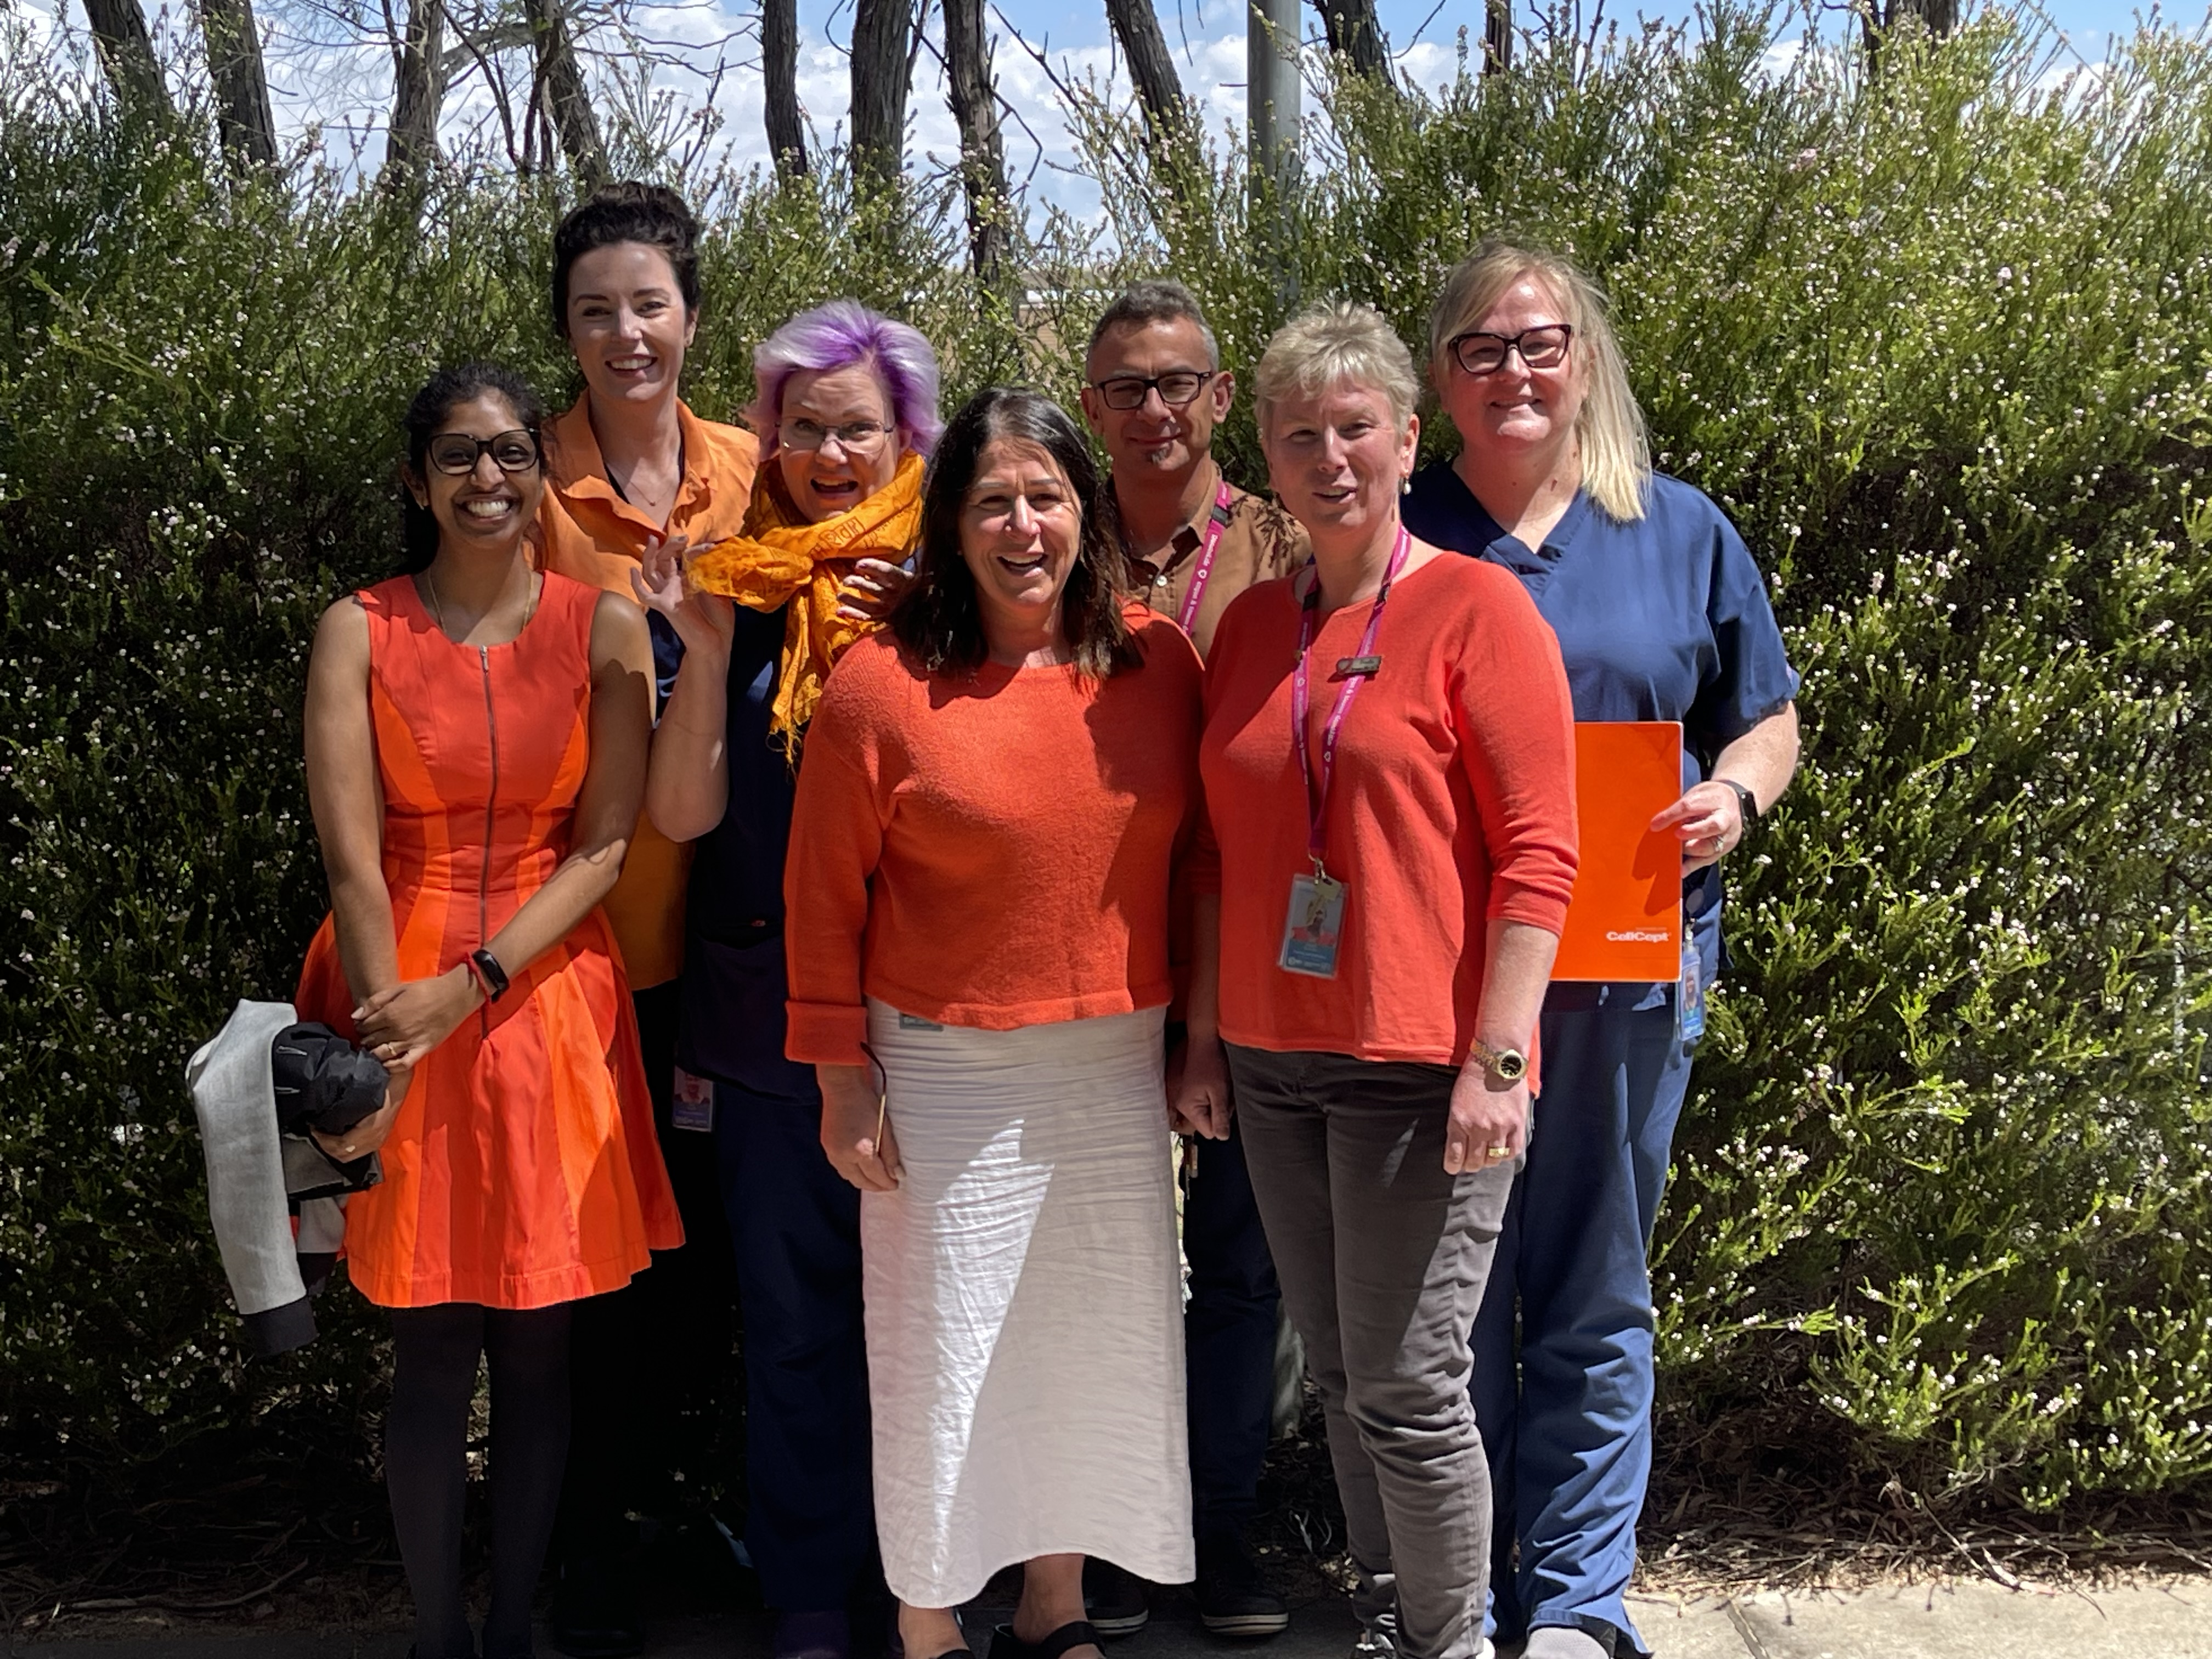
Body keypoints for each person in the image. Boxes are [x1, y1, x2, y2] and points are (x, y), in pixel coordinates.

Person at [1403, 241, 1801, 1659]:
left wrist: (1736, 796)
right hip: (1439, 993)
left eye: (1539, 342)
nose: (1514, 371)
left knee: (1591, 1290)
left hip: (1632, 974)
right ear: (1440, 379)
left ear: (1584, 358)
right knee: (1449, 1310)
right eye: (1481, 348)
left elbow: (1769, 714)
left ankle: (1573, 1605)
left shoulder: (1680, 529)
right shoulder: (1400, 536)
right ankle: (1458, 1595)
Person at [1175, 302, 1580, 1659]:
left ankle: (1450, 1640)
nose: (1330, 457)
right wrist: (1202, 1043)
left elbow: (1542, 860)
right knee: (1343, 1379)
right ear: (1269, 462)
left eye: (1355, 428)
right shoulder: (1246, 635)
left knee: (1410, 1385)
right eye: (1300, 436)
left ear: (1409, 439)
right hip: (1275, 1059)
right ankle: (1392, 1614)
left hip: (1422, 1066)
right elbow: (1225, 859)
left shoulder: (1479, 608)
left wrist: (1499, 1062)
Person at [782, 388, 1205, 1659]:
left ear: (1088, 509)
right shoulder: (881, 686)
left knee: (1080, 1349)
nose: (1025, 526)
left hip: (1113, 1064)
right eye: (993, 503)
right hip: (944, 1074)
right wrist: (838, 1080)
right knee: (945, 1363)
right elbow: (819, 898)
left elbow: (1196, 872)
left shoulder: (1158, 664)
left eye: (1048, 496)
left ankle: (1055, 1605)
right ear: (951, 527)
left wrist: (1201, 1044)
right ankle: (928, 1617)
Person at [294, 362, 681, 1659]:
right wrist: (389, 1031)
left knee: (537, 1352)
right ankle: (438, 1640)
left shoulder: (607, 622)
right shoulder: (357, 626)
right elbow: (351, 855)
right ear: (417, 481)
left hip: (542, 994)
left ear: (538, 470)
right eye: (458, 456)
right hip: (396, 983)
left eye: (511, 452)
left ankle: (512, 1629)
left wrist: (478, 983)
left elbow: (607, 845)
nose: (488, 479)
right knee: (428, 1349)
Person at [634, 299, 940, 1659]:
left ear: (908, 438)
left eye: (855, 427)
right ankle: (812, 1600)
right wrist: (701, 654)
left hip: (937, 1022)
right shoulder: (734, 589)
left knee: (934, 1321)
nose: (828, 453)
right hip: (766, 1026)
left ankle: (931, 1581)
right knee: (798, 1325)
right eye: (803, 427)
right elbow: (688, 818)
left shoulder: (958, 592)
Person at [533, 181, 766, 1658]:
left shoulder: (750, 470)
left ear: (691, 314)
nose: (627, 333)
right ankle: (583, 1557)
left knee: (715, 1264)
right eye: (596, 311)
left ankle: (700, 1525)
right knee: (585, 1277)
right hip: (579, 943)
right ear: (565, 331)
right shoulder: (527, 479)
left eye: (649, 304)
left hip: (736, 940)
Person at [1076, 279, 1308, 1640]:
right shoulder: (1052, 537)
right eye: (1124, 388)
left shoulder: (1285, 543)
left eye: (1176, 384)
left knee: (1239, 1271)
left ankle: (1219, 1537)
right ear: (1093, 405)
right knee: (1100, 1265)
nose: (1153, 411)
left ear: (1221, 399)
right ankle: (1107, 1536)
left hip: (1266, 957)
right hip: (1091, 956)